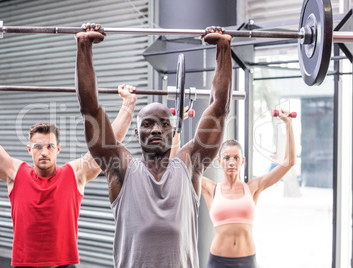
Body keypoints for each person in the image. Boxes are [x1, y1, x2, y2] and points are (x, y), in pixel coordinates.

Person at [75, 23, 233, 267]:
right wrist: (84, 46)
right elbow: (90, 110)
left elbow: (219, 109)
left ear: (172, 130)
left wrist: (223, 48)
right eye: (148, 124)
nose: (157, 129)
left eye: (163, 124)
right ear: (137, 133)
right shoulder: (121, 168)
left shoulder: (189, 164)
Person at [0, 81, 137, 268]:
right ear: (30, 149)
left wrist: (129, 104)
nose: (44, 152)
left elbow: (108, 146)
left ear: (58, 149)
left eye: (49, 146)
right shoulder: (15, 173)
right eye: (38, 147)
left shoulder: (74, 174)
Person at [200, 110, 295, 268]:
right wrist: (177, 127)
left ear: (242, 160)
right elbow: (179, 166)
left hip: (247, 261)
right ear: (219, 161)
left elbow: (289, 161)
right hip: (217, 261)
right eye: (227, 158)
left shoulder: (253, 187)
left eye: (236, 158)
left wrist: (288, 124)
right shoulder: (210, 188)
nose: (231, 162)